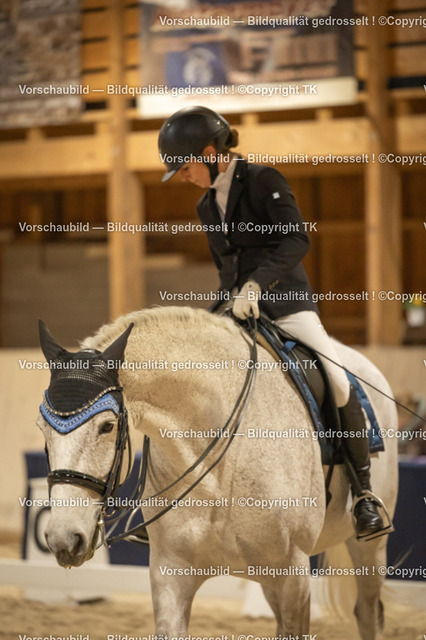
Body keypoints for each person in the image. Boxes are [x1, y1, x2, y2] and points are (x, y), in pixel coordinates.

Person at [158, 105, 385, 538]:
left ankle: (364, 496)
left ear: (210, 154)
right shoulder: (206, 204)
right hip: (238, 309)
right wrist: (218, 309)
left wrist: (257, 285)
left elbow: (296, 239)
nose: (183, 177)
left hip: (287, 305)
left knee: (337, 382)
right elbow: (227, 268)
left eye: (185, 168)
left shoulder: (264, 180)